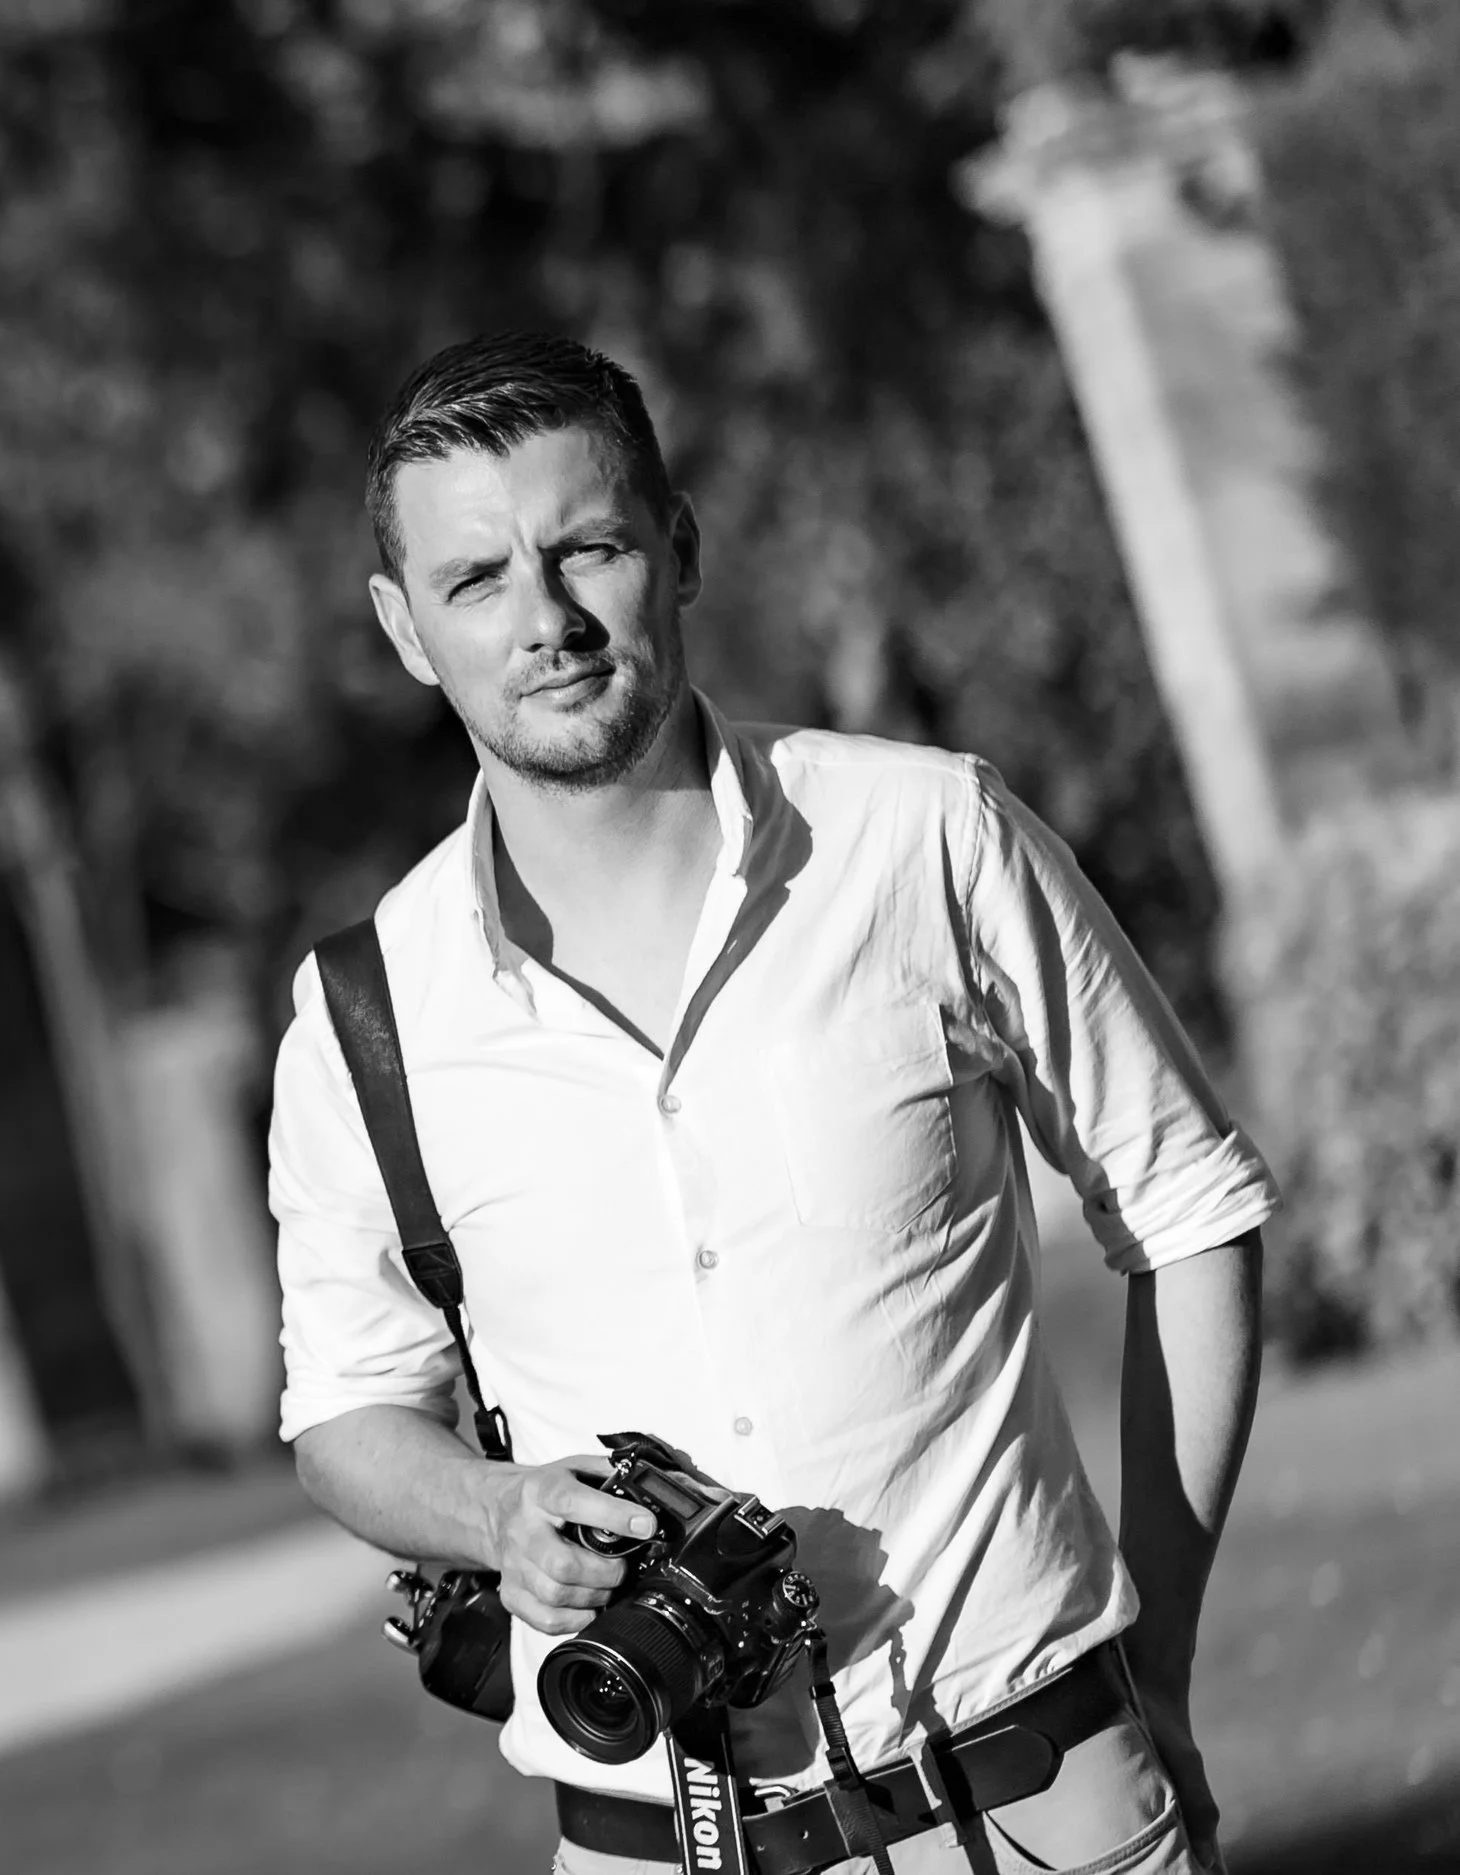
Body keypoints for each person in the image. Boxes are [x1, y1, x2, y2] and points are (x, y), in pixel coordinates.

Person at [270, 331, 1279, 1875]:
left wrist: (1166, 1654)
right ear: (406, 631)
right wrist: (495, 1512)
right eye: (476, 580)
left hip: (1040, 1803)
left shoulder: (923, 834)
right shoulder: (363, 1016)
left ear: (676, 548)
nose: (544, 619)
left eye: (586, 546)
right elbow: (344, 1413)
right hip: (646, 1843)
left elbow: (1191, 1211)